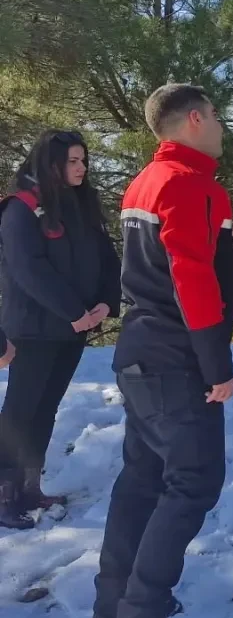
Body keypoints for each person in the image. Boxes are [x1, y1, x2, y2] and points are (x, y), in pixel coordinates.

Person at [92, 84, 233, 618]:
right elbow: (192, 275)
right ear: (195, 119)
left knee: (142, 479)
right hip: (176, 355)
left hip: (140, 351)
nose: (224, 128)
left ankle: (113, 607)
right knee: (195, 480)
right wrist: (215, 362)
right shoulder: (190, 183)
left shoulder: (144, 181)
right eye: (219, 117)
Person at [0, 130, 120, 530]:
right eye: (72, 161)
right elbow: (28, 269)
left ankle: (30, 487)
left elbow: (106, 257)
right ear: (51, 163)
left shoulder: (80, 206)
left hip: (72, 330)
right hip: (34, 330)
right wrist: (74, 311)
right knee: (19, 413)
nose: (81, 168)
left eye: (83, 160)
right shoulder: (21, 208)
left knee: (46, 409)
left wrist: (106, 301)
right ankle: (4, 495)